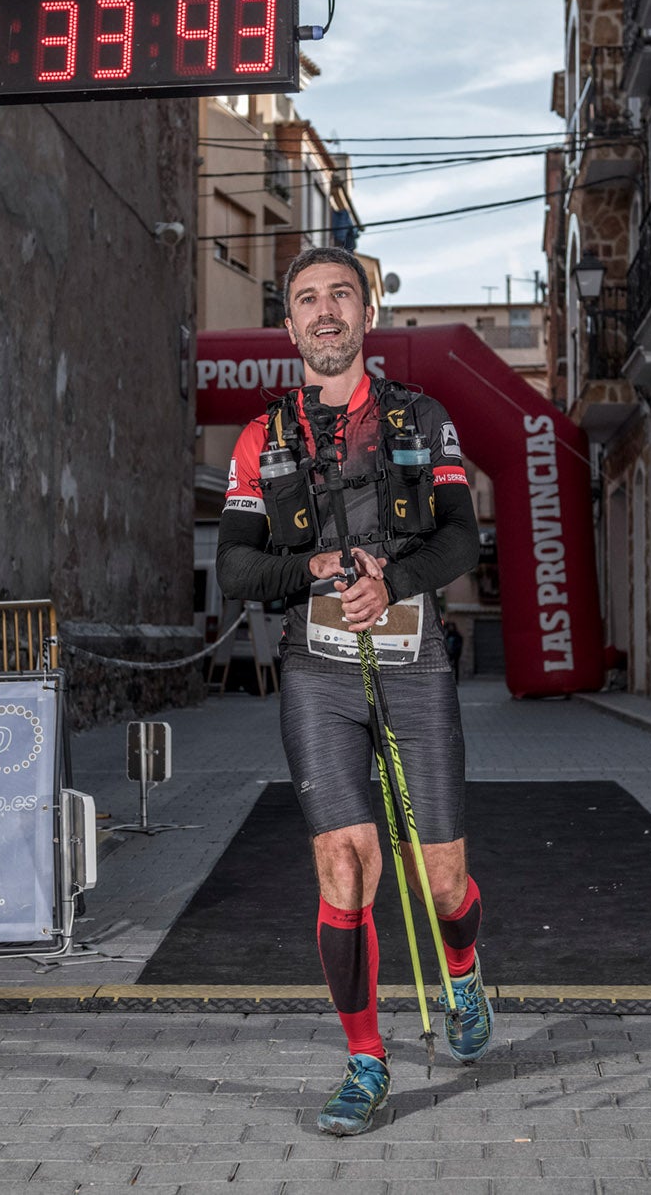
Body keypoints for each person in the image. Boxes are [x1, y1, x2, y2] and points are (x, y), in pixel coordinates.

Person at [215, 245, 488, 1137]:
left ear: (367, 313)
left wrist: (394, 583)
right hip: (317, 673)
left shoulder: (421, 415)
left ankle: (466, 966)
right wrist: (324, 566)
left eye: (341, 294)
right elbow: (237, 568)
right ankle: (366, 1060)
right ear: (288, 325)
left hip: (413, 667)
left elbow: (460, 541)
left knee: (439, 878)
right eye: (307, 299)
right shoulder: (264, 439)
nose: (325, 311)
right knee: (345, 865)